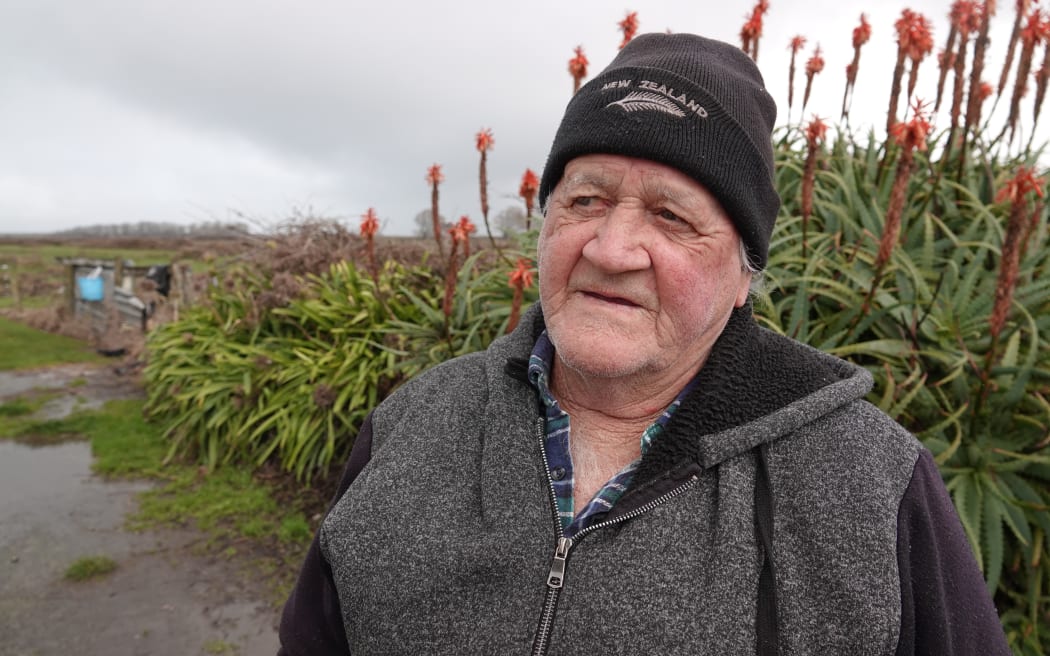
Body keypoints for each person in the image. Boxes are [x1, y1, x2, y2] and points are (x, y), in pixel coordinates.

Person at [277, 32, 1010, 655]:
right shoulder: (412, 424)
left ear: (742, 274)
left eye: (671, 216)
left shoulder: (871, 484)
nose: (613, 247)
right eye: (586, 200)